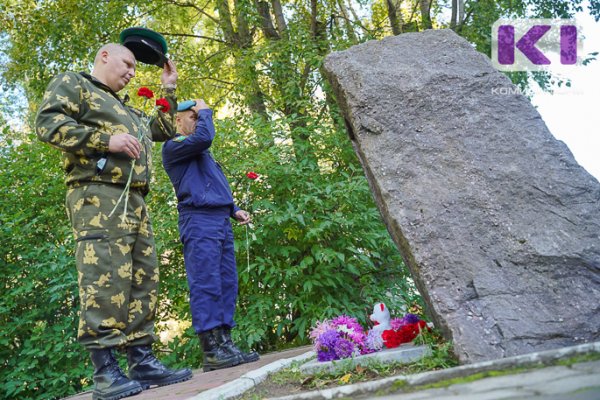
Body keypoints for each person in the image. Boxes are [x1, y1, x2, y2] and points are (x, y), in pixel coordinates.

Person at [35, 43, 192, 400]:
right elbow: (47, 123)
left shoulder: (126, 108)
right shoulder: (75, 83)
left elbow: (163, 129)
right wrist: (107, 140)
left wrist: (168, 88)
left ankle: (142, 360)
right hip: (97, 195)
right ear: (104, 56)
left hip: (135, 199)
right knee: (103, 275)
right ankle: (105, 371)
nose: (133, 72)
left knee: (142, 278)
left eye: (136, 68)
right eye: (128, 63)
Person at [162, 99, 260, 371]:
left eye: (198, 115)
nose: (197, 119)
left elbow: (214, 185)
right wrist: (206, 111)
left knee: (227, 282)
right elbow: (205, 136)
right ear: (177, 121)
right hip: (199, 220)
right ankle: (211, 350)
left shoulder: (203, 154)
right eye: (191, 116)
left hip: (219, 220)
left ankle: (225, 342)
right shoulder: (174, 147)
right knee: (206, 282)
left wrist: (234, 209)